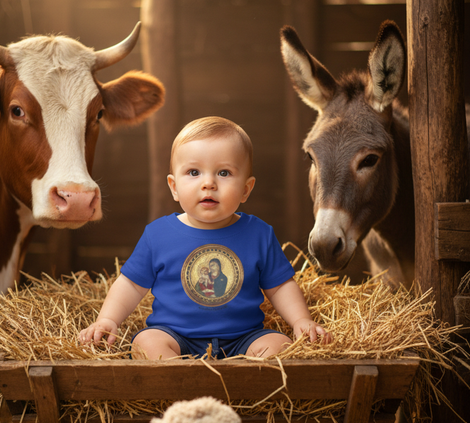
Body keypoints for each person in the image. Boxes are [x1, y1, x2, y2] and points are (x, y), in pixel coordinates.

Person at [79, 116, 331, 358]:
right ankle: (182, 382)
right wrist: (108, 320)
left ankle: (240, 388)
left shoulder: (259, 234)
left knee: (280, 345)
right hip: (175, 336)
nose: (208, 183)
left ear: (246, 189)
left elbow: (279, 286)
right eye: (193, 172)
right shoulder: (158, 234)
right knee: (146, 343)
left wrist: (301, 320)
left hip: (244, 338)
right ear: (174, 187)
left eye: (223, 173)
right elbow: (131, 284)